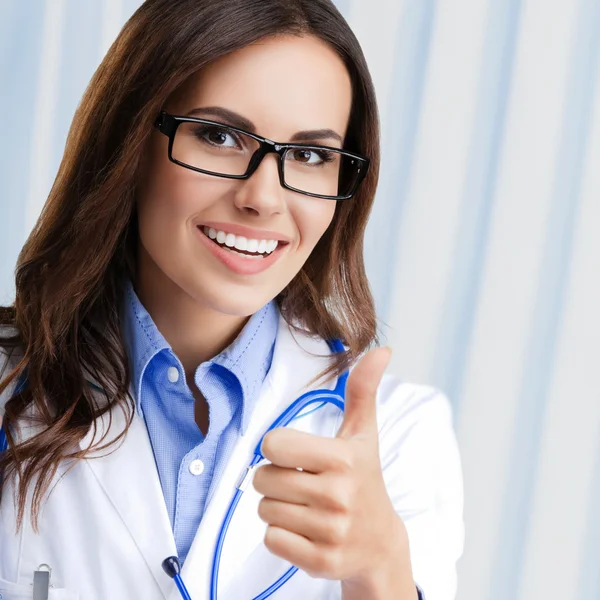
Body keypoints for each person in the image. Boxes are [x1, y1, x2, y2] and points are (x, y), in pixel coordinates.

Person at [0, 1, 464, 599]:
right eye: (219, 136)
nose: (263, 198)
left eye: (310, 155)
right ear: (131, 142)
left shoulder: (401, 436)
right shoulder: (13, 387)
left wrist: (380, 570)